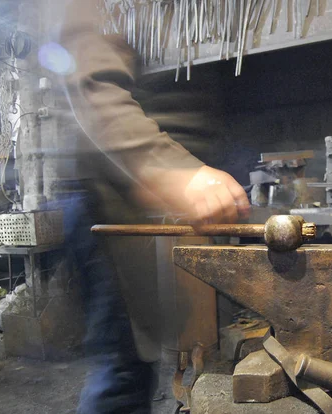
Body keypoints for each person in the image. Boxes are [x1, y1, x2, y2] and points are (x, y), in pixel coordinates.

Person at [44, 0, 250, 412]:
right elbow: (94, 87)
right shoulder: (101, 10)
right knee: (122, 372)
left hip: (162, 209)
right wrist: (179, 172)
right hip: (109, 207)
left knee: (140, 364)